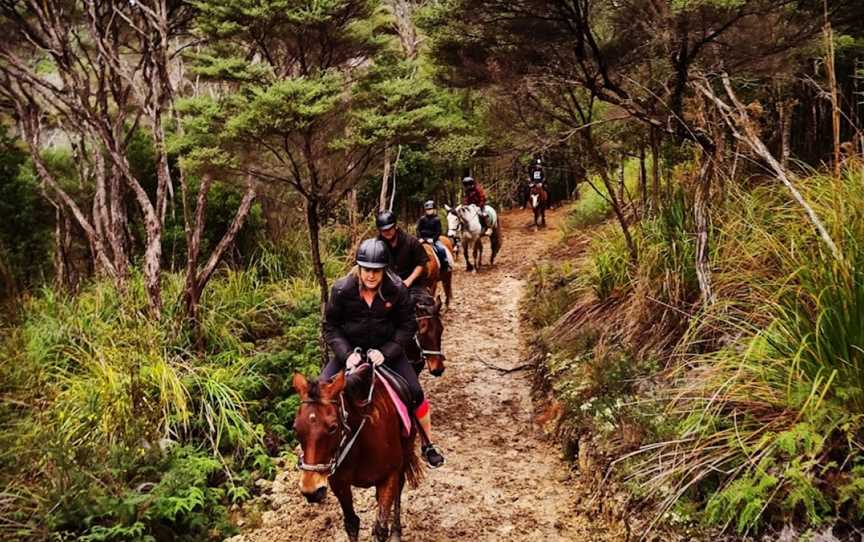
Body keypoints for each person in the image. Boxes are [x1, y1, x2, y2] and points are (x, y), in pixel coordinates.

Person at [321, 238, 445, 468]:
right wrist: (347, 354)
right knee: (320, 390)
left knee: (416, 391)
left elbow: (407, 326)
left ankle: (428, 444)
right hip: (350, 352)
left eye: (377, 271)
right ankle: (314, 452)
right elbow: (331, 327)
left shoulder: (397, 289)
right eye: (367, 270)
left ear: (384, 270)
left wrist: (386, 352)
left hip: (386, 350)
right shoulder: (341, 290)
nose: (371, 276)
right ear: (359, 268)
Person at [376, 210, 429, 296]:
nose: (387, 232)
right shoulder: (377, 245)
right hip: (387, 284)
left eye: (390, 228)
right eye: (384, 230)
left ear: (395, 226)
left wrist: (409, 281)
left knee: (427, 305)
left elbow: (421, 263)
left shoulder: (412, 242)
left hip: (413, 284)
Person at [415, 200, 449, 273]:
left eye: (430, 209)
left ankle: (445, 266)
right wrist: (419, 238)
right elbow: (418, 229)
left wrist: (433, 239)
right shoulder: (422, 219)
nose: (429, 211)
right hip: (423, 239)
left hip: (433, 239)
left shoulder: (437, 219)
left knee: (441, 250)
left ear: (434, 209)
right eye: (427, 209)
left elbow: (438, 232)